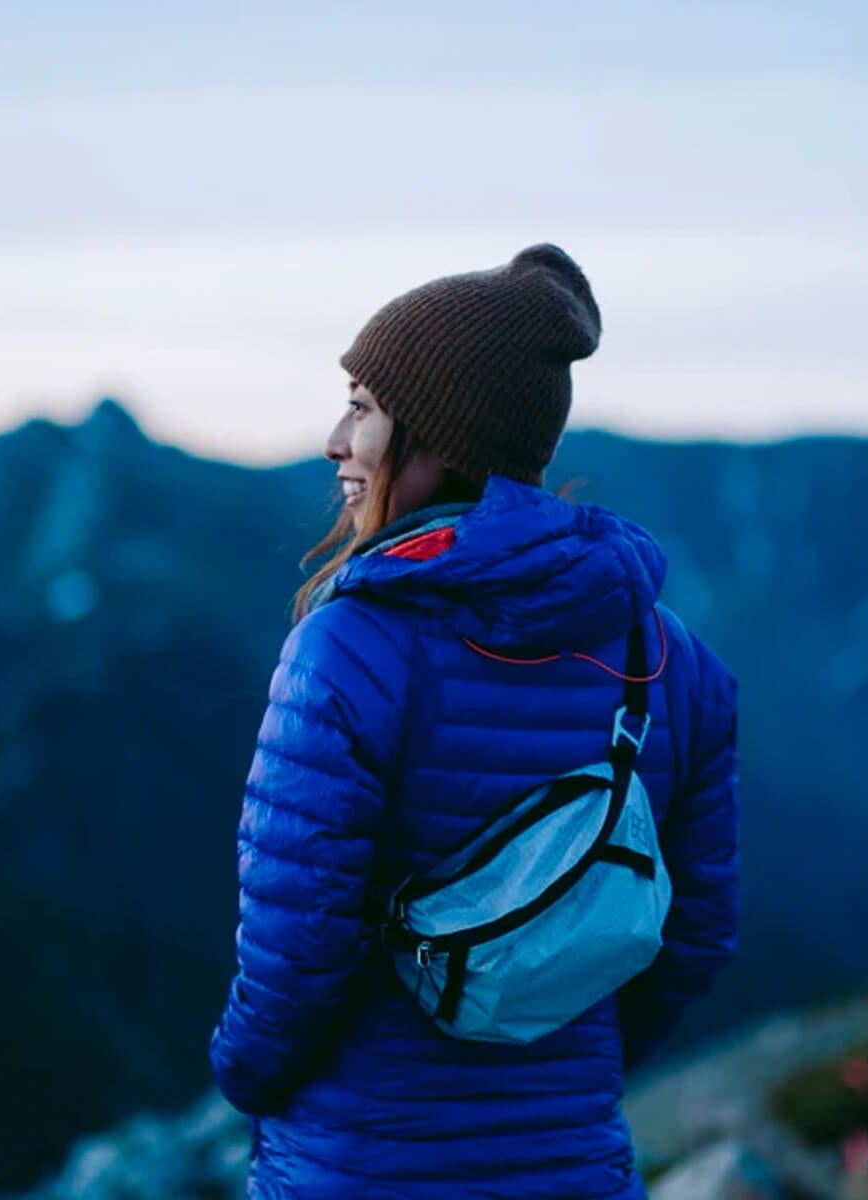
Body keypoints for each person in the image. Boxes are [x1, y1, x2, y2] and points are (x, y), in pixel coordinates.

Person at [209, 243, 740, 1199]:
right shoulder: (676, 663)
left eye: (363, 408)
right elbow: (693, 935)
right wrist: (566, 1067)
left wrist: (243, 1078)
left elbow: (296, 954)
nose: (336, 439)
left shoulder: (346, 650)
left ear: (442, 435)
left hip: (360, 1167)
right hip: (574, 1168)